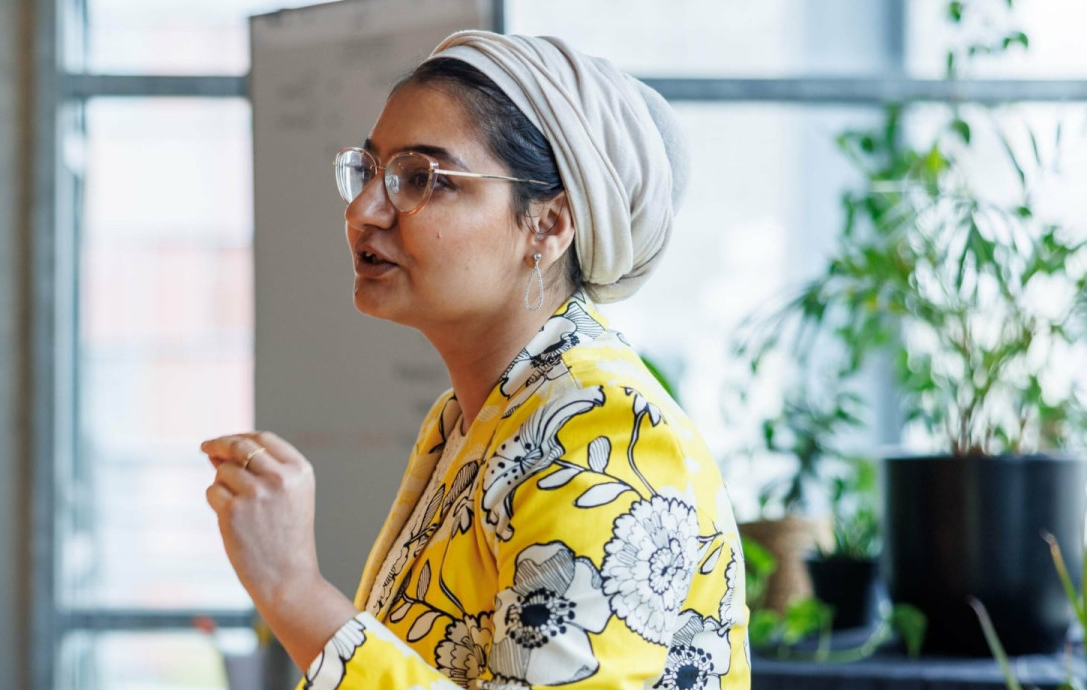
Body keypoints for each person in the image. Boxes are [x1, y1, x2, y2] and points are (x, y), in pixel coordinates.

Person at [201, 31, 749, 690]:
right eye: (371, 171)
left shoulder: (604, 430)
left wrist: (294, 591)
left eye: (420, 178)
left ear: (547, 225)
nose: (364, 210)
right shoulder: (473, 418)